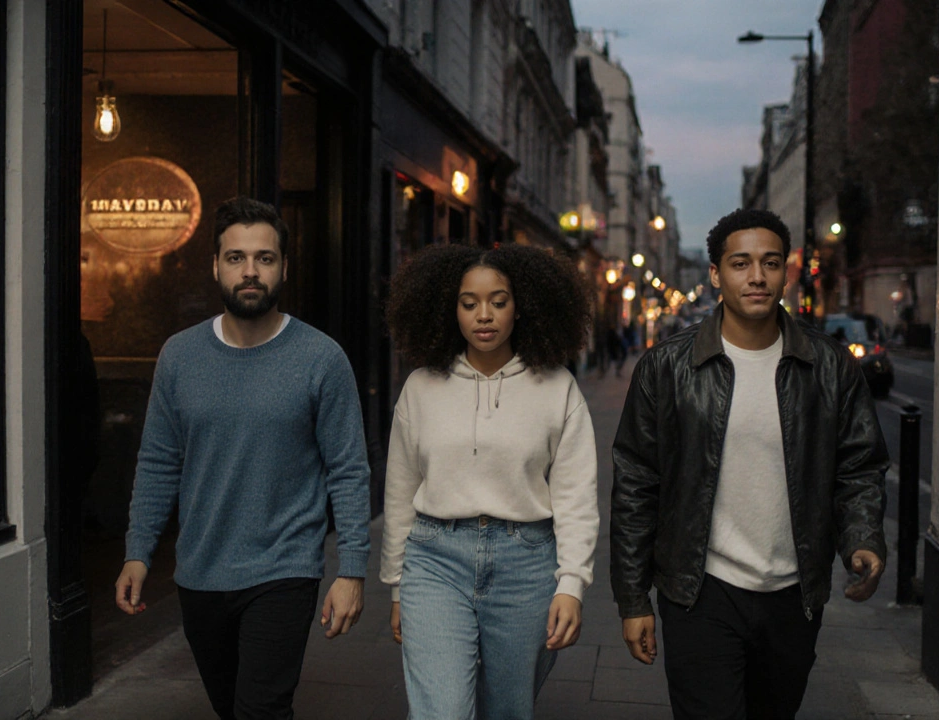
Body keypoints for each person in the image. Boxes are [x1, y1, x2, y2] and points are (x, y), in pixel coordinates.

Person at [610, 208, 889, 719]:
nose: (756, 276)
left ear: (787, 271)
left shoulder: (829, 367)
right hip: (698, 593)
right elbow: (635, 484)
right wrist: (632, 600)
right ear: (716, 274)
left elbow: (860, 466)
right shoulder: (668, 367)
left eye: (770, 262)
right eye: (740, 263)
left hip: (793, 595)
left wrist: (863, 537)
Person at [115, 196, 371, 720]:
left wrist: (352, 570)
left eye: (265, 258)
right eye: (236, 258)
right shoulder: (180, 355)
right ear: (215, 266)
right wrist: (138, 550)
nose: (250, 271)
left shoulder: (321, 358)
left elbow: (347, 468)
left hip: (284, 567)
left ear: (283, 268)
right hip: (201, 571)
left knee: (261, 710)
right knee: (232, 708)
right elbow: (159, 461)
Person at [381, 243, 600, 719]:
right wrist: (397, 586)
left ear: (521, 308)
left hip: (527, 564)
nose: (485, 315)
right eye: (469, 303)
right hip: (435, 560)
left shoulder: (557, 386)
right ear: (451, 309)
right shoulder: (420, 386)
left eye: (499, 302)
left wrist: (571, 584)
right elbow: (399, 491)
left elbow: (576, 496)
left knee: (507, 711)